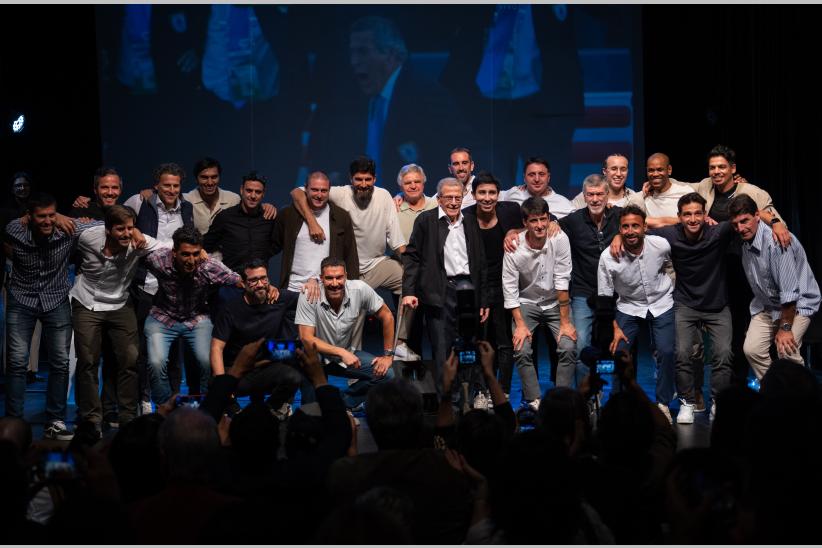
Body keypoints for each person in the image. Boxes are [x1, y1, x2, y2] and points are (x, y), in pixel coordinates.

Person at [309, 16, 468, 185]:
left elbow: (456, 158)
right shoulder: (352, 99)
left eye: (363, 52)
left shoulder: (427, 98)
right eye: (352, 53)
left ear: (391, 55)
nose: (354, 62)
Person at [3, 193, 100, 440]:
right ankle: (13, 422)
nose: (47, 221)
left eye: (50, 216)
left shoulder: (67, 229)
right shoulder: (17, 229)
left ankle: (54, 421)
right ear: (30, 217)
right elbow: (8, 224)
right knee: (16, 362)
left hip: (55, 299)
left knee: (60, 362)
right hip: (22, 299)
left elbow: (101, 224)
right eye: (41, 217)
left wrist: (63, 217)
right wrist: (55, 215)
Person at [290, 156, 407, 350]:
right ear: (351, 179)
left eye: (367, 179)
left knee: (408, 277)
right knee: (357, 307)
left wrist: (413, 264)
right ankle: (354, 365)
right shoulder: (340, 193)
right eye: (358, 179)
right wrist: (312, 222)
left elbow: (396, 241)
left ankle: (401, 343)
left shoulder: (384, 196)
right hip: (348, 270)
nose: (363, 184)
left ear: (375, 179)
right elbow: (296, 193)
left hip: (377, 263)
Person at [71, 205, 164, 435]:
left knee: (130, 359)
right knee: (88, 361)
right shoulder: (89, 237)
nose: (126, 233)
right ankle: (92, 419)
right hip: (87, 302)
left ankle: (127, 417)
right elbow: (62, 224)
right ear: (108, 230)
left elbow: (170, 246)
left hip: (120, 304)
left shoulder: (138, 242)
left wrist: (201, 252)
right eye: (120, 229)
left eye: (130, 228)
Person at [647, 193, 737, 423]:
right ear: (679, 217)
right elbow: (638, 230)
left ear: (706, 215)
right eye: (687, 214)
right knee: (682, 353)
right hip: (685, 303)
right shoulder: (671, 234)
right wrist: (618, 237)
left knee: (723, 354)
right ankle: (687, 401)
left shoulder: (718, 232)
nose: (693, 219)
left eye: (698, 213)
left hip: (717, 305)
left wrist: (776, 223)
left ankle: (719, 401)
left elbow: (748, 216)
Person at [402, 177, 489, 397]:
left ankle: (472, 396)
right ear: (439, 199)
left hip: (468, 290)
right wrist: (409, 292)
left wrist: (484, 298)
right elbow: (412, 258)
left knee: (470, 346)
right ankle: (447, 400)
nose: (453, 202)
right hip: (440, 290)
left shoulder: (470, 221)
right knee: (442, 348)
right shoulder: (426, 221)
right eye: (448, 197)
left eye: (457, 197)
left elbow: (481, 262)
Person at [143, 226, 241, 406]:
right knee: (156, 363)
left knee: (206, 360)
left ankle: (207, 406)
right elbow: (136, 250)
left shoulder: (208, 265)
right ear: (174, 252)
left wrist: (265, 287)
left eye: (196, 254)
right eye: (185, 254)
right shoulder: (158, 259)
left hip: (196, 318)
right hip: (162, 317)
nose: (191, 260)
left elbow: (237, 279)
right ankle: (164, 407)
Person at [125, 162, 195, 415]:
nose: (172, 189)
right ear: (156, 185)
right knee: (143, 350)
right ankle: (143, 400)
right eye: (167, 185)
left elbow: (186, 243)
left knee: (174, 350)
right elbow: (124, 226)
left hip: (175, 289)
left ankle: (173, 399)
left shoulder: (186, 208)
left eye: (176, 185)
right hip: (146, 286)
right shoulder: (139, 202)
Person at [597, 205, 676, 423]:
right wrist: (614, 328)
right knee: (620, 352)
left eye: (635, 226)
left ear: (644, 227)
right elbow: (604, 298)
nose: (631, 231)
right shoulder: (608, 257)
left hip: (661, 302)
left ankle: (663, 403)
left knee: (666, 351)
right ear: (619, 229)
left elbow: (671, 264)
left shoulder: (660, 245)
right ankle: (620, 399)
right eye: (625, 227)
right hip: (628, 306)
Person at [729, 194, 820, 380]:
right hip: (768, 305)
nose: (740, 228)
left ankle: (803, 398)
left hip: (797, 305)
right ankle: (775, 392)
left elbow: (789, 293)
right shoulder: (747, 240)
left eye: (745, 221)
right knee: (752, 349)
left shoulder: (776, 241)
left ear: (756, 216)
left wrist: (785, 328)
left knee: (786, 351)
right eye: (736, 224)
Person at [503, 196, 576, 411]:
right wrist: (521, 324)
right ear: (525, 223)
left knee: (568, 345)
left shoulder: (559, 238)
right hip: (527, 302)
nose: (540, 225)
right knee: (522, 348)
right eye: (534, 221)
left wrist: (565, 322)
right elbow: (509, 288)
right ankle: (533, 400)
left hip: (555, 302)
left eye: (543, 219)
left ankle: (561, 400)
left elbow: (563, 279)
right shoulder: (514, 246)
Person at [295, 256, 396, 410]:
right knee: (313, 411)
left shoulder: (359, 289)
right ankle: (316, 407)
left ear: (346, 276)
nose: (335, 283)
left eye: (339, 277)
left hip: (346, 356)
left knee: (387, 374)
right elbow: (306, 338)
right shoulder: (309, 294)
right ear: (321, 279)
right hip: (316, 358)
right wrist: (341, 352)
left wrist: (388, 356)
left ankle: (343, 402)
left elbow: (387, 315)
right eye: (329, 278)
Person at [69, 166, 125, 428]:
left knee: (115, 356)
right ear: (95, 190)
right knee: (88, 358)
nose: (110, 192)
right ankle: (88, 413)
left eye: (114, 187)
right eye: (105, 187)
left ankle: (110, 408)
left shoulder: (125, 213)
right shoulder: (80, 211)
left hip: (118, 295)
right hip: (88, 294)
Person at [272, 171, 359, 338]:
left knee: (321, 348)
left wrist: (351, 293)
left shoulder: (341, 217)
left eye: (324, 191)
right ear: (305, 189)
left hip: (324, 293)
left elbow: (350, 257)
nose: (319, 195)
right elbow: (272, 246)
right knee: (288, 347)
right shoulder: (289, 214)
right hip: (292, 290)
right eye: (314, 190)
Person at [209, 259, 300, 415]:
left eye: (263, 278)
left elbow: (310, 301)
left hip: (267, 362)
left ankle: (272, 410)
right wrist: (222, 384)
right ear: (243, 284)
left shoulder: (278, 298)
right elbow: (216, 347)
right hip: (238, 368)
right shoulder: (230, 309)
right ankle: (236, 415)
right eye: (253, 280)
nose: (260, 284)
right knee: (215, 385)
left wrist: (312, 285)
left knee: (298, 353)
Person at [463, 171, 523, 402]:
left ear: (498, 195)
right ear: (474, 194)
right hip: (477, 286)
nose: (487, 198)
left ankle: (503, 391)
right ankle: (480, 390)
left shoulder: (510, 211)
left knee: (504, 341)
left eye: (492, 193)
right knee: (480, 340)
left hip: (505, 284)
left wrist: (514, 230)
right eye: (482, 193)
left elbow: (533, 221)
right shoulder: (466, 216)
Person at [559, 174, 621, 380]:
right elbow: (543, 223)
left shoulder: (619, 216)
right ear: (584, 196)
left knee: (618, 344)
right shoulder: (573, 221)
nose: (595, 199)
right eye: (590, 195)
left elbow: (641, 222)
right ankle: (586, 396)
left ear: (607, 195)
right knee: (582, 345)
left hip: (615, 294)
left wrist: (621, 234)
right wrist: (514, 231)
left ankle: (617, 397)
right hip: (583, 292)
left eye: (600, 194)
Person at [202, 171, 277, 272]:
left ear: (263, 194)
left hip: (259, 281)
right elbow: (205, 245)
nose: (253, 196)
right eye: (249, 191)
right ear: (241, 190)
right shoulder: (225, 217)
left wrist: (263, 257)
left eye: (258, 192)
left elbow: (277, 244)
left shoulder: (268, 217)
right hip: (232, 281)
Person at [500, 157, 575, 219]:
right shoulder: (514, 193)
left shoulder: (564, 205)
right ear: (524, 178)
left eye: (541, 174)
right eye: (531, 175)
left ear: (548, 178)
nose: (537, 179)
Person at [182, 157, 240, 235]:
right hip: (198, 246)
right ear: (196, 179)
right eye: (204, 177)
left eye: (214, 177)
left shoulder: (233, 199)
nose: (210, 183)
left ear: (219, 177)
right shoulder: (186, 200)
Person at [571, 153, 636, 209]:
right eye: (614, 169)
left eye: (623, 169)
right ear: (604, 171)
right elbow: (568, 216)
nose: (618, 174)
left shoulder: (634, 198)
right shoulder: (588, 195)